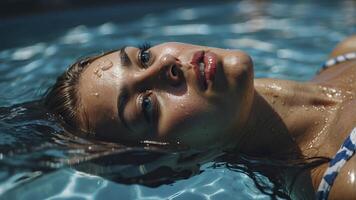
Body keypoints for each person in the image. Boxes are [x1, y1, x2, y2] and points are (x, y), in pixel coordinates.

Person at [44, 35, 356, 200]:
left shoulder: (346, 52)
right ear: (175, 167)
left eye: (143, 57)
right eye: (147, 106)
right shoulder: (346, 184)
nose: (168, 65)